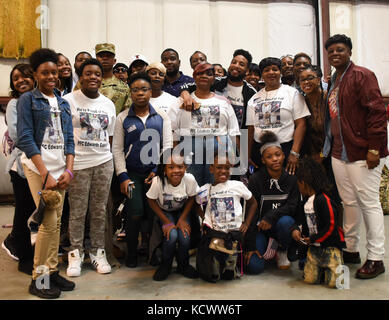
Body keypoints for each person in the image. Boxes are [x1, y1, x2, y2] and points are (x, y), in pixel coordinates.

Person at [323, 34, 388, 279]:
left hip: (363, 152)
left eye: (340, 50)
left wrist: (374, 148)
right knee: (349, 203)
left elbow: (377, 113)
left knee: (369, 204)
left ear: (349, 51)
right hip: (339, 152)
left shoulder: (362, 75)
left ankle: (376, 258)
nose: (335, 54)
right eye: (331, 51)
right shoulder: (335, 79)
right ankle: (351, 249)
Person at [16, 48, 76, 299]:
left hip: (60, 170)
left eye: (54, 72)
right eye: (45, 72)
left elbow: (70, 139)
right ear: (36, 74)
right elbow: (25, 138)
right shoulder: (28, 100)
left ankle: (51, 272)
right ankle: (39, 278)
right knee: (48, 224)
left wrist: (69, 170)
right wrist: (45, 173)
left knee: (56, 225)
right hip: (38, 169)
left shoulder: (62, 102)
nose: (51, 76)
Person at [112, 72, 173, 268]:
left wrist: (158, 169)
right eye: (136, 90)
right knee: (135, 211)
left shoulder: (161, 116)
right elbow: (117, 149)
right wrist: (122, 176)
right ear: (130, 93)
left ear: (151, 92)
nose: (140, 93)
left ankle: (150, 250)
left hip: (155, 174)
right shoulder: (123, 118)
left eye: (144, 89)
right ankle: (131, 251)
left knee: (153, 213)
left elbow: (168, 145)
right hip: (131, 176)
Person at [63, 58, 116, 277]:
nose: (93, 77)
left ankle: (97, 252)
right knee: (77, 212)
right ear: (81, 76)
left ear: (101, 78)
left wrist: (106, 157)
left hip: (103, 163)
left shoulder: (108, 104)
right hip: (78, 164)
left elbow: (110, 137)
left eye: (97, 74)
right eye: (88, 73)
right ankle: (75, 254)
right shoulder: (68, 101)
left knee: (99, 210)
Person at [168, 62, 241, 186]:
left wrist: (234, 157)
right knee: (192, 189)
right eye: (200, 73)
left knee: (217, 189)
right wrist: (176, 156)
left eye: (208, 74)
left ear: (213, 78)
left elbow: (234, 131)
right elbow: (172, 131)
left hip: (220, 153)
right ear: (194, 76)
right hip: (189, 152)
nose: (204, 76)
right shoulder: (179, 102)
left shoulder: (224, 102)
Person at [195, 151, 257, 282]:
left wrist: (246, 223)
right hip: (215, 233)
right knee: (213, 268)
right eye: (219, 167)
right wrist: (204, 218)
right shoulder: (205, 189)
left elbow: (253, 203)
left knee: (231, 259)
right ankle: (217, 265)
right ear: (211, 169)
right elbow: (195, 204)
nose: (223, 171)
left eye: (227, 168)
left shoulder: (238, 186)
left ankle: (230, 266)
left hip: (234, 234)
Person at [245, 131, 301, 273]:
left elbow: (293, 206)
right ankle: (269, 247)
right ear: (263, 160)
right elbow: (251, 211)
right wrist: (250, 245)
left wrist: (271, 216)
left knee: (286, 222)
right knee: (253, 267)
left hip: (281, 227)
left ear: (283, 155)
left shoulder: (291, 179)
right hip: (261, 230)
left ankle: (282, 249)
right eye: (269, 157)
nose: (275, 159)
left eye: (278, 155)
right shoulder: (256, 179)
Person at [246, 57, 310, 175]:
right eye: (267, 70)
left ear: (280, 72)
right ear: (262, 75)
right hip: (260, 151)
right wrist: (247, 155)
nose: (271, 72)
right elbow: (250, 129)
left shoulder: (292, 93)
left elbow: (301, 124)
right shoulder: (253, 99)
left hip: (286, 149)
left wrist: (294, 152)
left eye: (275, 69)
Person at [2, 64, 36, 275]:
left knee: (35, 211)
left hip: (40, 164)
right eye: (16, 78)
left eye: (25, 76)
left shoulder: (39, 100)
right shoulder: (15, 104)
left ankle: (19, 243)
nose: (21, 81)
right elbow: (18, 136)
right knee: (23, 212)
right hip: (22, 166)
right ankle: (23, 255)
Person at [293, 157, 346, 288]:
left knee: (338, 284)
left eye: (298, 183)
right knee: (309, 280)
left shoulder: (323, 199)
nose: (298, 187)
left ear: (304, 182)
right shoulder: (305, 202)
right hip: (314, 247)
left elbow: (332, 225)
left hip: (330, 245)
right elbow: (300, 220)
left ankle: (335, 270)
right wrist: (297, 229)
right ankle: (320, 272)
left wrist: (315, 238)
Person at [147, 149, 199, 281]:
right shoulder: (157, 181)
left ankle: (183, 265)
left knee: (185, 236)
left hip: (182, 211)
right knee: (172, 235)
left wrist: (182, 219)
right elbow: (151, 201)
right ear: (164, 169)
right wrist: (166, 222)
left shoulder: (189, 179)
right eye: (171, 167)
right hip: (164, 212)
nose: (176, 170)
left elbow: (192, 198)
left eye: (180, 167)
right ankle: (166, 265)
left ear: (185, 167)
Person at [181, 49, 256, 131]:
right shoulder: (216, 82)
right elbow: (187, 86)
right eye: (234, 62)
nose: (236, 66)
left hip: (241, 134)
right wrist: (186, 95)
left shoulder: (251, 92)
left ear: (247, 70)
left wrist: (244, 143)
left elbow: (250, 124)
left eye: (241, 64)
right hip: (217, 135)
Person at [299, 65, 327, 161]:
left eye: (310, 78)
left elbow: (334, 132)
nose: (306, 82)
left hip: (332, 152)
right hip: (311, 155)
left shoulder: (328, 98)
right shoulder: (301, 102)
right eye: (302, 80)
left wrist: (323, 154)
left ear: (319, 80)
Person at [94, 43, 132, 115]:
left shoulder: (124, 87)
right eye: (101, 56)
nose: (105, 58)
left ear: (114, 61)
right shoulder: (86, 83)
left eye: (109, 56)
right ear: (96, 59)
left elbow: (126, 113)